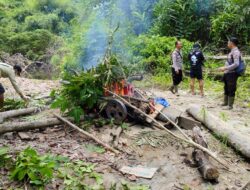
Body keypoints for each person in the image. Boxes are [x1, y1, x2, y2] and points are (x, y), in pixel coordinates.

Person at [218, 37, 241, 110]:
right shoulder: (232, 51)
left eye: (228, 42)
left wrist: (225, 68)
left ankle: (230, 105)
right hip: (228, 73)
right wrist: (224, 68)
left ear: (232, 43)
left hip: (232, 73)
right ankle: (225, 102)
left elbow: (236, 64)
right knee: (226, 88)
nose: (227, 43)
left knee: (231, 88)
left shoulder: (236, 52)